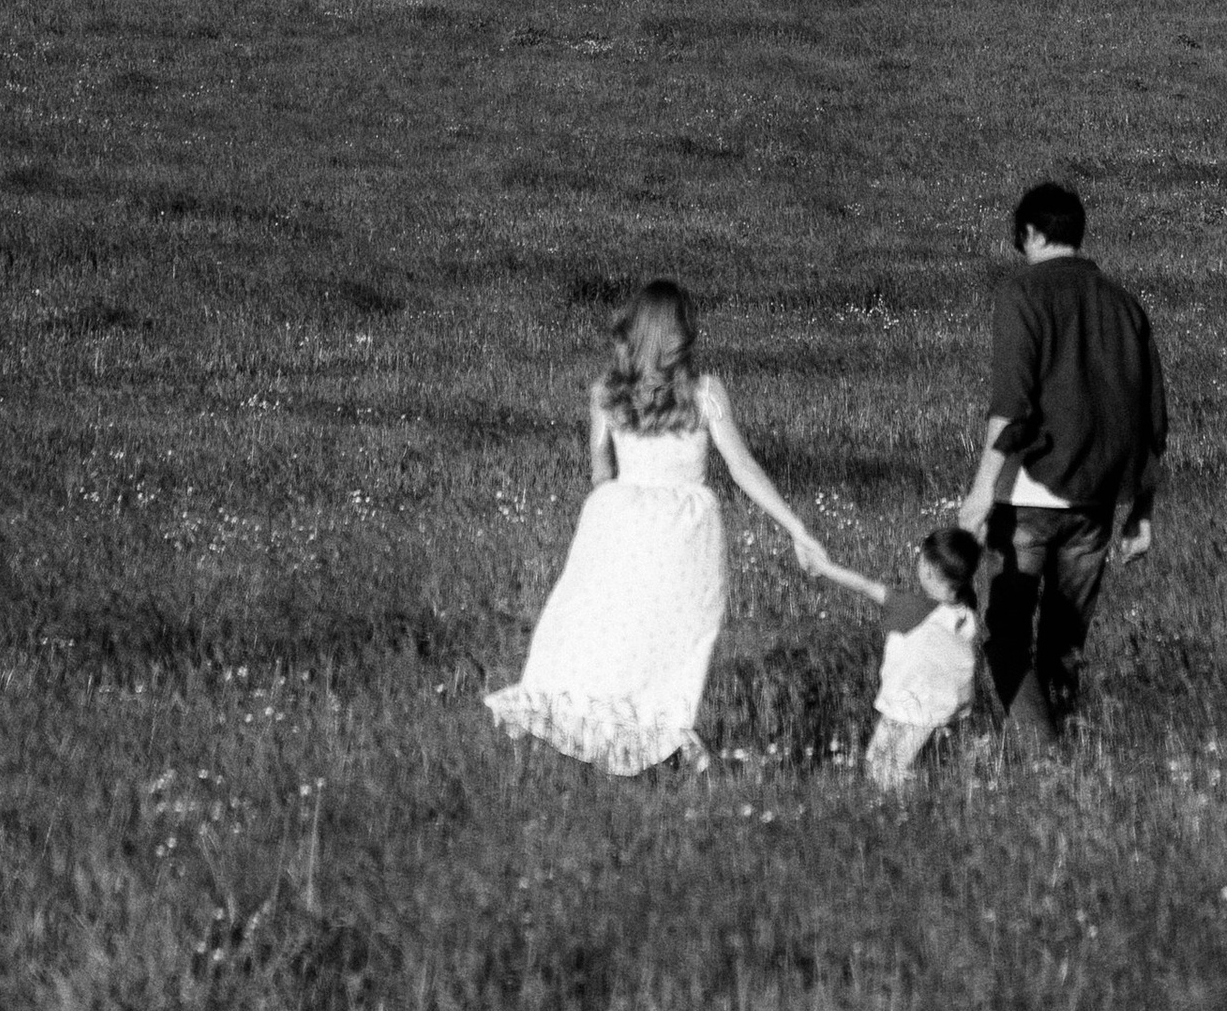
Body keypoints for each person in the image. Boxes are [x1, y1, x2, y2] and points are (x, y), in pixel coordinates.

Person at [487, 279, 831, 775]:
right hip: (683, 532)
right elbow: (742, 467)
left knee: (609, 628)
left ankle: (605, 733)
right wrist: (797, 527)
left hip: (618, 521)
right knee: (673, 638)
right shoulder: (704, 391)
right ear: (679, 333)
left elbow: (600, 472)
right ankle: (651, 739)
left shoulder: (607, 391)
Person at [956, 180, 1166, 739]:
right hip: (1097, 502)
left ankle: (1043, 759)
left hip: (1026, 494)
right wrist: (1141, 513)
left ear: (1030, 234)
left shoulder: (1022, 296)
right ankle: (1063, 746)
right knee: (1065, 640)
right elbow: (1152, 419)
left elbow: (1011, 407)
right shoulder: (1125, 304)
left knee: (1006, 638)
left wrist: (979, 495)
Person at [814, 526, 986, 788]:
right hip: (948, 706)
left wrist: (823, 567)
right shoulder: (967, 613)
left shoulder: (914, 609)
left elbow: (864, 587)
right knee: (925, 764)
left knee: (881, 769)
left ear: (927, 569)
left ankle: (898, 813)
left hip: (909, 707)